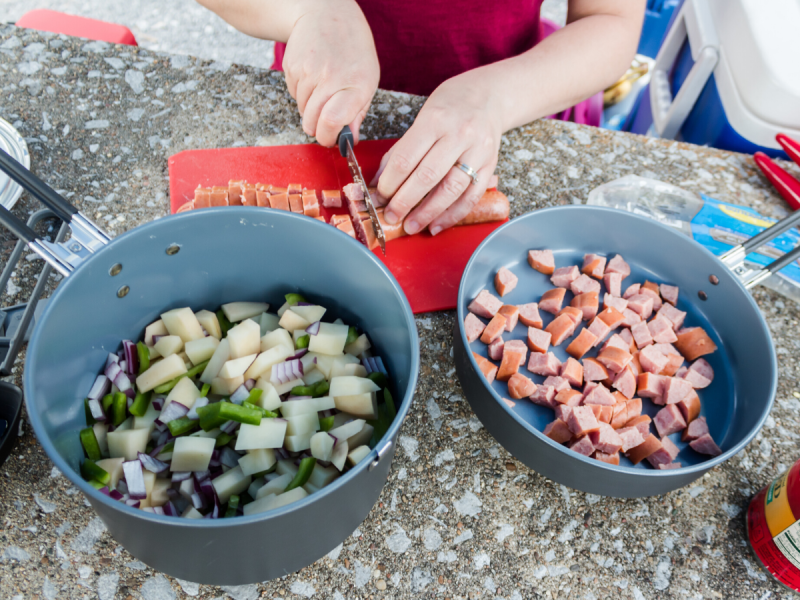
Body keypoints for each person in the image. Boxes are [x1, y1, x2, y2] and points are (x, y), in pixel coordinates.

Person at [195, 0, 645, 235]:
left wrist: (492, 99)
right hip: (318, 96)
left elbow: (611, 18)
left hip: (509, 106)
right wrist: (306, 7)